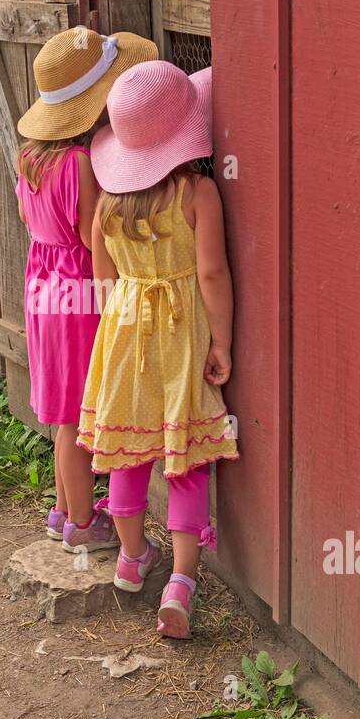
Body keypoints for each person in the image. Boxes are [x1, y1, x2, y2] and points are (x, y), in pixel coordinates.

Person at [78, 60, 239, 637]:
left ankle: (130, 558)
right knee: (184, 452)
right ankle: (182, 581)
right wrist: (221, 342)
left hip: (124, 327)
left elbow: (102, 279)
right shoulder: (198, 193)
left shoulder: (108, 206)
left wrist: (127, 314)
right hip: (181, 329)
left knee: (128, 445)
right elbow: (213, 274)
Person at [16, 25, 158, 552]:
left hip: (44, 287)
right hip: (79, 290)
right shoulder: (79, 163)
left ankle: (62, 510)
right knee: (77, 418)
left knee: (62, 409)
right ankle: (81, 523)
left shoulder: (30, 157)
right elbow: (88, 235)